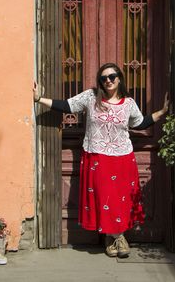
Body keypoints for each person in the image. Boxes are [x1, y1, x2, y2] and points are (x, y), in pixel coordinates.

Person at [33, 62, 169, 258]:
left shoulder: (129, 103)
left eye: (112, 76)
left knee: (120, 201)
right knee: (104, 199)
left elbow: (140, 123)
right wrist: (39, 99)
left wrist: (162, 112)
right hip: (97, 157)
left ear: (119, 78)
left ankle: (112, 239)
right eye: (103, 78)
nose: (108, 81)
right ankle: (118, 238)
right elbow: (67, 105)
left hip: (123, 157)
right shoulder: (91, 97)